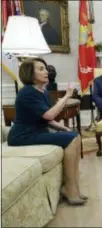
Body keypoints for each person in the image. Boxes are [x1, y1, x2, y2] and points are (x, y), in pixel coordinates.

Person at [7, 58, 86, 205]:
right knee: (71, 138)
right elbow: (49, 115)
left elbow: (47, 120)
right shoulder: (27, 93)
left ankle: (74, 186)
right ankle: (69, 188)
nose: (46, 72)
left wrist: (64, 128)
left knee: (75, 136)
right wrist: (67, 96)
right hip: (23, 135)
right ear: (30, 73)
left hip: (38, 131)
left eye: (45, 68)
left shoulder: (43, 92)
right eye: (41, 69)